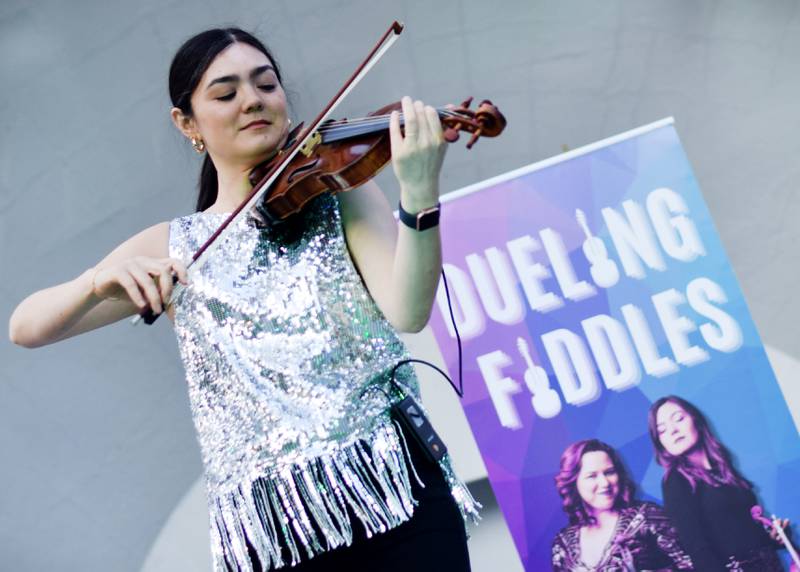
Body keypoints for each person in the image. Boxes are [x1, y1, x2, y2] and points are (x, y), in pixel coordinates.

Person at [8, 28, 479, 571]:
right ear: (187, 124)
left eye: (266, 84)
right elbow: (27, 326)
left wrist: (418, 195)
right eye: (225, 93)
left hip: (391, 489)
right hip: (272, 526)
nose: (253, 100)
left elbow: (409, 310)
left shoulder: (339, 195)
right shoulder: (176, 246)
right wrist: (97, 282)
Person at [649, 395, 791, 571]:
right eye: (662, 430)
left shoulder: (723, 468)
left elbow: (740, 534)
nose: (672, 431)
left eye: (678, 419)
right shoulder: (675, 481)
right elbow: (698, 550)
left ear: (697, 420)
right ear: (661, 443)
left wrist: (774, 538)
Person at [551, 439, 693, 571]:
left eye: (609, 472)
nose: (605, 483)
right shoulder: (563, 542)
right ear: (573, 483)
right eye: (592, 476)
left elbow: (691, 564)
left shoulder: (647, 516)